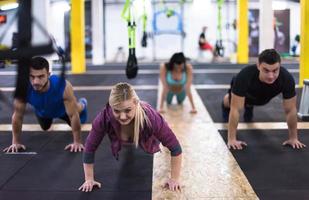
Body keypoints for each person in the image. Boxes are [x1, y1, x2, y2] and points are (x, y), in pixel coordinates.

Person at [79, 82, 182, 192]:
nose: (122, 117)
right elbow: (89, 147)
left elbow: (175, 148)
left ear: (136, 103)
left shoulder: (151, 118)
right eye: (116, 111)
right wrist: (89, 179)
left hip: (144, 129)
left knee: (163, 138)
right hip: (123, 133)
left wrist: (174, 178)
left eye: (128, 110)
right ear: (110, 106)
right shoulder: (104, 117)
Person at [222, 49, 306, 150]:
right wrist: (232, 139)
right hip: (245, 93)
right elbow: (235, 109)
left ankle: (249, 106)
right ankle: (236, 104)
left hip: (263, 97)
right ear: (258, 65)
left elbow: (291, 110)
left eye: (275, 70)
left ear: (280, 66)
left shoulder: (286, 79)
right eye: (266, 70)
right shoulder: (244, 76)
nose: (271, 76)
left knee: (255, 102)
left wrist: (293, 138)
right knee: (230, 103)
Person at [3, 56, 87, 153]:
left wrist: (77, 142)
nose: (36, 82)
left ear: (48, 74)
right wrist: (15, 142)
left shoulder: (63, 86)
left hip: (63, 111)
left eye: (41, 76)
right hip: (43, 112)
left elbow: (72, 115)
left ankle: (83, 103)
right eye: (32, 76)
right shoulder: (23, 88)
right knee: (45, 127)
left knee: (76, 112)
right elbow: (17, 116)